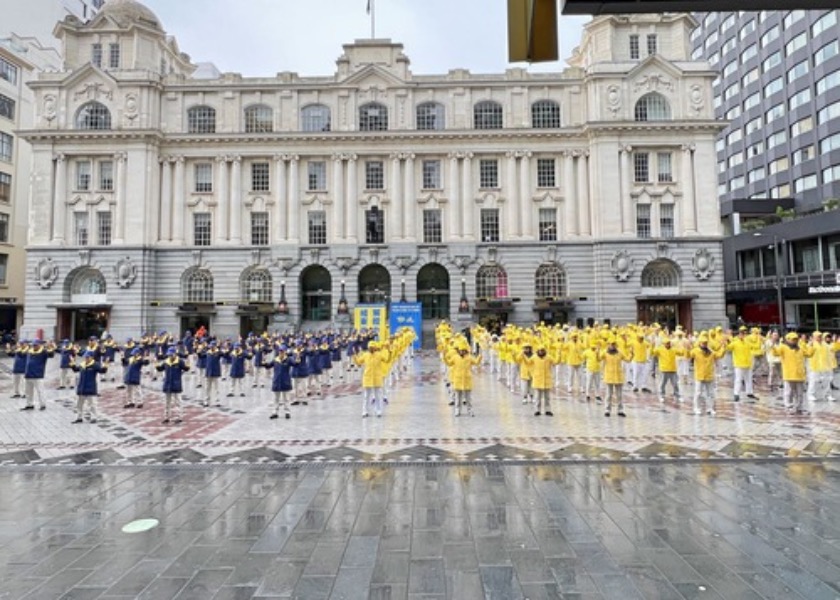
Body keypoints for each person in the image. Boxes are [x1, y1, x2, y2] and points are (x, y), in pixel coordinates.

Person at [772, 332, 815, 414]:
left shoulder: (801, 348)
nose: (794, 341)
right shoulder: (783, 347)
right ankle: (789, 406)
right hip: (789, 374)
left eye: (796, 339)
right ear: (788, 340)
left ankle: (799, 407)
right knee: (789, 392)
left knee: (800, 393)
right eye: (793, 339)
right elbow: (775, 353)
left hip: (799, 374)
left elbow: (809, 354)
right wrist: (773, 345)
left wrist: (811, 345)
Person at [690, 334, 726, 416]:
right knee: (698, 393)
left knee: (710, 394)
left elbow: (719, 355)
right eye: (703, 343)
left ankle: (710, 408)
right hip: (699, 375)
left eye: (706, 343)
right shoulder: (695, 351)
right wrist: (687, 347)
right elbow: (688, 355)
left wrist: (723, 346)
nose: (704, 345)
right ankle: (696, 408)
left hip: (709, 376)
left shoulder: (711, 352)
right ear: (699, 343)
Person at [445, 338, 481, 417]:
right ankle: (457, 411)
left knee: (468, 398)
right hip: (458, 379)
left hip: (467, 380)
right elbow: (449, 363)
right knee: (458, 397)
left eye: (463, 350)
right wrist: (445, 358)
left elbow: (476, 362)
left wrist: (479, 357)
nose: (461, 352)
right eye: (460, 350)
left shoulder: (469, 357)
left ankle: (470, 410)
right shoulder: (455, 357)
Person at [354, 340, 390, 417]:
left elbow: (386, 360)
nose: (371, 349)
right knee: (366, 396)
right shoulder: (365, 355)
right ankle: (365, 411)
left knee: (377, 396)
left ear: (375, 348)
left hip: (377, 378)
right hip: (367, 378)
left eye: (372, 347)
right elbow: (358, 362)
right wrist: (354, 355)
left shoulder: (379, 355)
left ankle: (378, 411)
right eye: (370, 347)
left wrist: (387, 350)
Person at [71, 350, 107, 423]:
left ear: (91, 357)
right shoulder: (82, 364)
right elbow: (75, 370)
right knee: (79, 404)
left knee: (92, 404)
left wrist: (105, 365)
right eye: (85, 357)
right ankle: (79, 417)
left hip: (91, 387)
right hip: (82, 387)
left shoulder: (95, 365)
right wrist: (72, 363)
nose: (86, 359)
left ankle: (94, 417)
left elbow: (102, 371)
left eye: (87, 357)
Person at [727, 326, 762, 402]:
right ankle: (736, 394)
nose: (743, 335)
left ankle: (749, 392)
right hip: (739, 364)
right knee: (738, 380)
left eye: (745, 333)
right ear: (739, 334)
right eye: (742, 333)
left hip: (748, 364)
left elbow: (756, 346)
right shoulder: (735, 342)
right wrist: (724, 342)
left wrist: (759, 338)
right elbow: (728, 347)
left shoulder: (747, 342)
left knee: (749, 379)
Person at [600, 336, 631, 417]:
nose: (612, 346)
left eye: (614, 344)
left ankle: (620, 410)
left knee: (619, 395)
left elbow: (627, 360)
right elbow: (598, 359)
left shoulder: (620, 352)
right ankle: (607, 409)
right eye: (611, 344)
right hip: (609, 376)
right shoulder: (605, 352)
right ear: (608, 345)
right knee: (608, 395)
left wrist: (631, 354)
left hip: (618, 376)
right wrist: (597, 352)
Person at [157, 346, 190, 424]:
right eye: (169, 355)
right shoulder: (166, 362)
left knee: (178, 401)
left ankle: (179, 417)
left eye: (171, 354)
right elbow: (160, 368)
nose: (170, 356)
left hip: (176, 384)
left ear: (175, 354)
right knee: (167, 402)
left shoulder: (180, 361)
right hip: (167, 384)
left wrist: (188, 364)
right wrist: (157, 362)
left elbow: (186, 368)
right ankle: (166, 417)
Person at [525, 344, 559, 416]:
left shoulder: (549, 357)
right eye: (540, 350)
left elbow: (555, 362)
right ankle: (537, 410)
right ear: (538, 351)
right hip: (537, 380)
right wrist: (522, 355)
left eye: (543, 350)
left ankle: (548, 410)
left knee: (547, 397)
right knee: (537, 397)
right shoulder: (534, 357)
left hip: (547, 380)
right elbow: (527, 362)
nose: (541, 352)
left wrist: (559, 355)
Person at [22, 339, 54, 411]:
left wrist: (49, 347)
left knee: (40, 390)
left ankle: (42, 405)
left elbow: (51, 355)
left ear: (40, 345)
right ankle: (29, 404)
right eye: (33, 345)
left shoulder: (43, 352)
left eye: (36, 345)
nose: (34, 346)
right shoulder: (30, 351)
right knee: (28, 391)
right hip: (28, 374)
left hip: (37, 375)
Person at [265, 345, 294, 419]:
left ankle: (287, 412)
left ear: (285, 352)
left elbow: (295, 364)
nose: (281, 353)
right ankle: (275, 412)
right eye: (280, 351)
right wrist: (264, 363)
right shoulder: (275, 360)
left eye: (283, 351)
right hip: (277, 381)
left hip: (285, 381)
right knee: (276, 398)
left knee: (286, 398)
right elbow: (269, 366)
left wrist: (297, 359)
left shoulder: (288, 360)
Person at [652, 337, 684, 404]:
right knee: (662, 384)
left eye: (669, 343)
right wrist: (652, 345)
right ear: (664, 344)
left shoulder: (673, 349)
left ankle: (677, 395)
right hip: (664, 369)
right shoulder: (660, 349)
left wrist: (683, 347)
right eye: (667, 343)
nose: (668, 344)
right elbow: (653, 353)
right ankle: (662, 395)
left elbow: (681, 353)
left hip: (673, 369)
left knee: (675, 383)